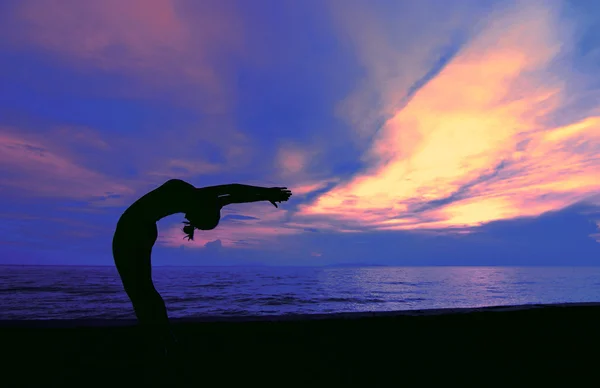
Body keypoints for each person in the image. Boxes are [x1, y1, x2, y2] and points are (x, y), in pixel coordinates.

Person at [112, 179, 292, 355]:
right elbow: (234, 192)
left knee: (140, 289)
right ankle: (162, 337)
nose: (187, 217)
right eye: (195, 220)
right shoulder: (200, 197)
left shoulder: (200, 198)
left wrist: (266, 194)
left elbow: (233, 194)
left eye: (193, 219)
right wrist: (266, 193)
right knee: (142, 289)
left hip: (133, 227)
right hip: (141, 228)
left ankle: (161, 339)